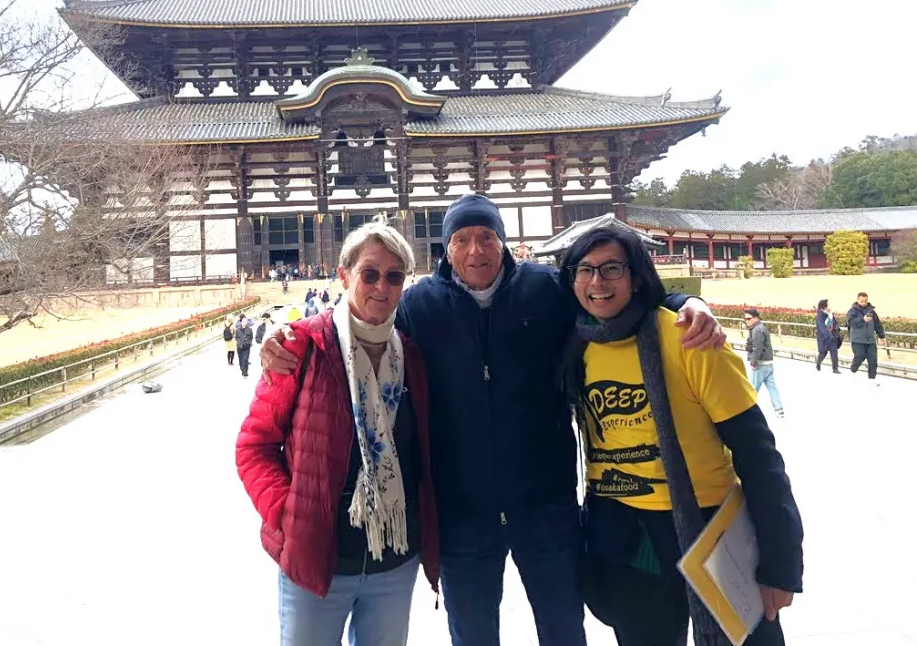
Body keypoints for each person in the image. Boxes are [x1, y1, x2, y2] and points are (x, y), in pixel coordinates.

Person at [262, 194, 725, 646]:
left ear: (504, 241)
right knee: (473, 632)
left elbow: (609, 296)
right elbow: (358, 319)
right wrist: (286, 334)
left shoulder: (546, 290)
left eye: (487, 236)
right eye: (461, 239)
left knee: (563, 627)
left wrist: (683, 301)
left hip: (545, 506)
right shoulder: (420, 305)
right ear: (446, 248)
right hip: (463, 513)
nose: (475, 250)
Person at [559, 224, 803, 645]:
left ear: (636, 277)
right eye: (585, 270)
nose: (597, 282)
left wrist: (781, 563)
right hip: (627, 533)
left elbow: (758, 455)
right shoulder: (577, 344)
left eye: (612, 269)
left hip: (710, 525)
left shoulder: (690, 338)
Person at [236, 221, 439, 645]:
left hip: (394, 561)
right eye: (369, 273)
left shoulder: (413, 356)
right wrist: (289, 515)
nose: (381, 286)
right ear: (344, 276)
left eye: (394, 275)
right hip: (318, 557)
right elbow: (254, 447)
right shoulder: (302, 345)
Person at [745, 308, 783, 418]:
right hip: (768, 363)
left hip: (761, 363)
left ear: (756, 318)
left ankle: (747, 411)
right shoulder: (761, 328)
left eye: (749, 318)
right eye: (745, 319)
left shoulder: (757, 330)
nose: (746, 321)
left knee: (752, 388)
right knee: (772, 387)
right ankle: (779, 409)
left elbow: (758, 347)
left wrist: (753, 362)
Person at [846, 292, 886, 385]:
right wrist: (862, 319)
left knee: (873, 360)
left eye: (865, 301)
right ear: (858, 300)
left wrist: (882, 336)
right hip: (857, 340)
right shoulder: (852, 311)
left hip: (870, 340)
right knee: (860, 356)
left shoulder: (871, 311)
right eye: (862, 301)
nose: (864, 303)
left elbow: (877, 324)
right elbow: (851, 322)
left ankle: (872, 379)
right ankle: (852, 371)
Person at [815, 299, 841, 374]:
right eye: (828, 305)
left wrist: (835, 319)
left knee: (834, 353)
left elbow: (833, 325)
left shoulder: (830, 314)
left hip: (832, 337)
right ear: (824, 306)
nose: (830, 306)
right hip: (824, 338)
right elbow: (822, 327)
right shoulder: (819, 315)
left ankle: (835, 369)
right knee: (823, 353)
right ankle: (818, 364)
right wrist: (828, 335)